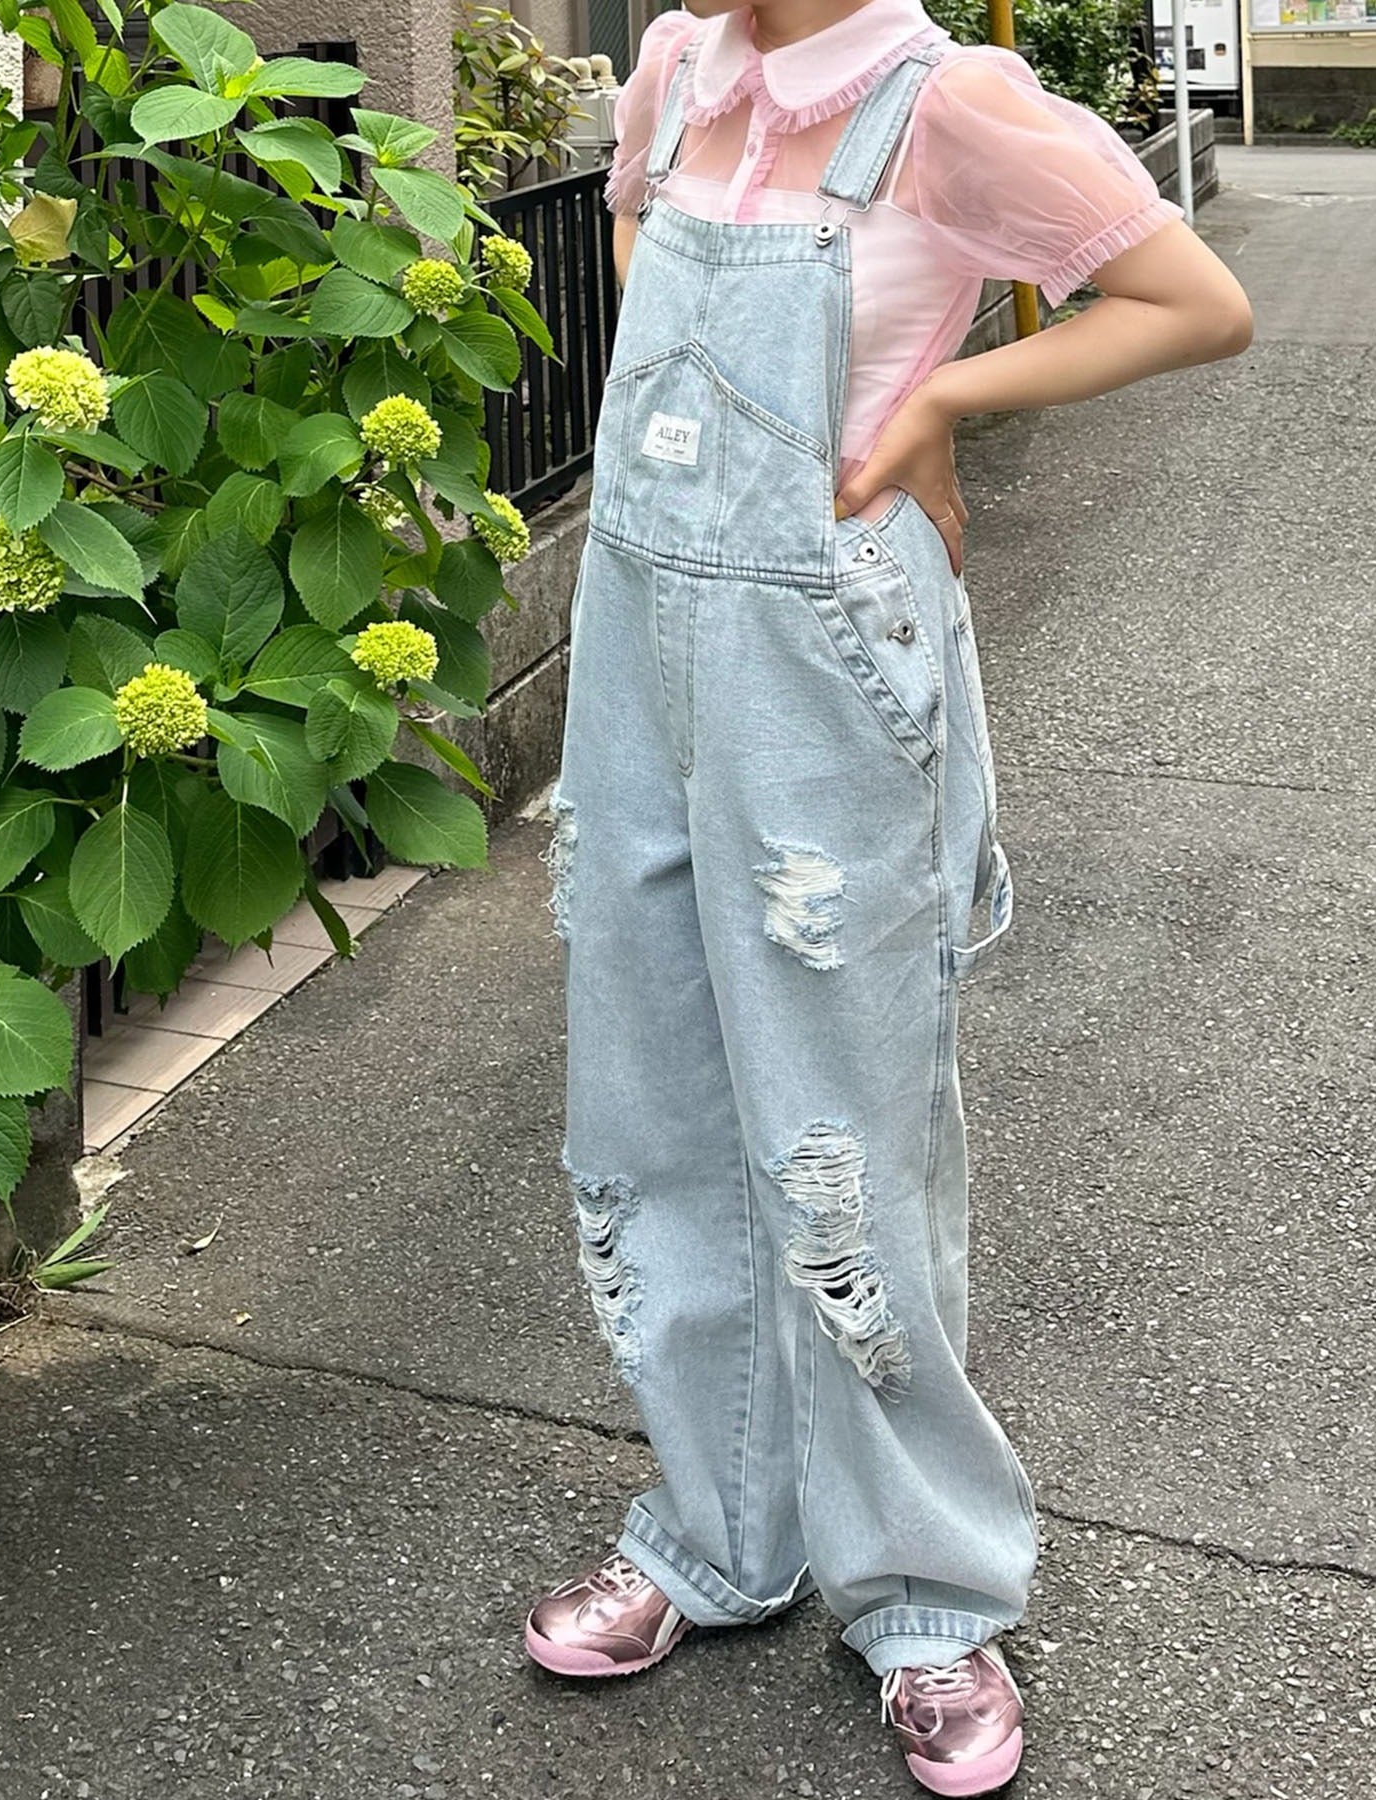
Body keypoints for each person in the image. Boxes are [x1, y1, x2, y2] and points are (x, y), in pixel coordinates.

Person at [526, 3, 1252, 1794]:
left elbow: (1189, 301)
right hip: (637, 632)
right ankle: (719, 1531)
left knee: (840, 1138)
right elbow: (637, 252)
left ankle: (927, 1593)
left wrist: (937, 395)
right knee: (651, 1103)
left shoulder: (947, 102)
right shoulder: (677, 67)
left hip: (828, 649)